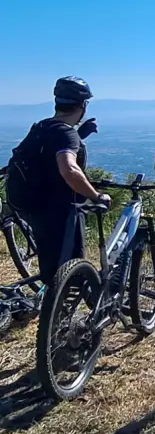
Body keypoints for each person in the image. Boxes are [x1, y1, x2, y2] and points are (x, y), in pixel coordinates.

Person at [9, 77, 110, 286]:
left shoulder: (42, 127)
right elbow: (69, 169)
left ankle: (50, 302)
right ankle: (57, 312)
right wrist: (96, 196)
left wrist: (78, 136)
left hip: (30, 205)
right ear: (83, 106)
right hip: (58, 208)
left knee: (51, 261)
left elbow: (46, 154)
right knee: (68, 270)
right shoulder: (66, 134)